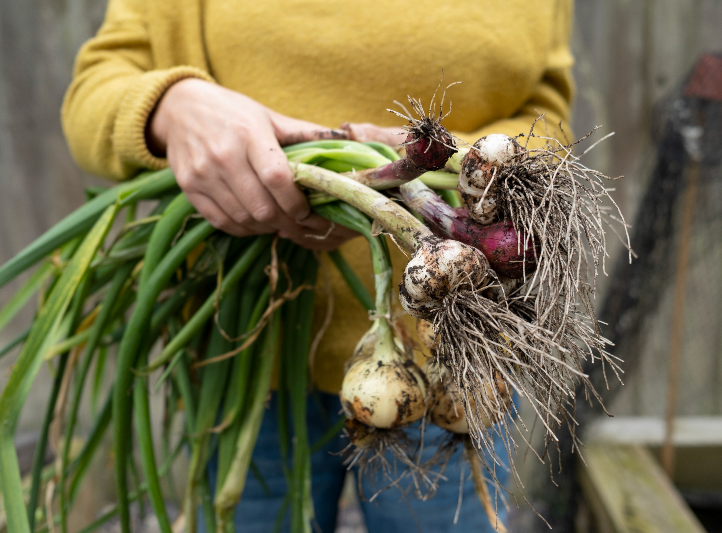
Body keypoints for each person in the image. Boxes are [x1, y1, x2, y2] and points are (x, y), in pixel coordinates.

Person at [62, 1, 575, 531]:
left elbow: (546, 111)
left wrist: (468, 164)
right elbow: (92, 92)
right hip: (246, 346)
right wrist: (172, 106)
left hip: (455, 351)